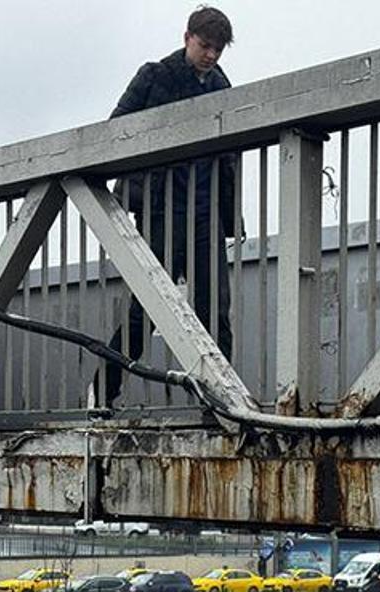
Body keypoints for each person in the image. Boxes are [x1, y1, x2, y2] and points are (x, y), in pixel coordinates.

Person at [92, 6, 238, 407]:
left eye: (218, 49)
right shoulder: (154, 75)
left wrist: (232, 211)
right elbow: (115, 131)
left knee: (215, 315)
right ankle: (102, 393)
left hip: (206, 214)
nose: (211, 55)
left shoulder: (222, 87)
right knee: (146, 313)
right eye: (205, 45)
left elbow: (229, 158)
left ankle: (222, 404)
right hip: (160, 211)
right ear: (187, 37)